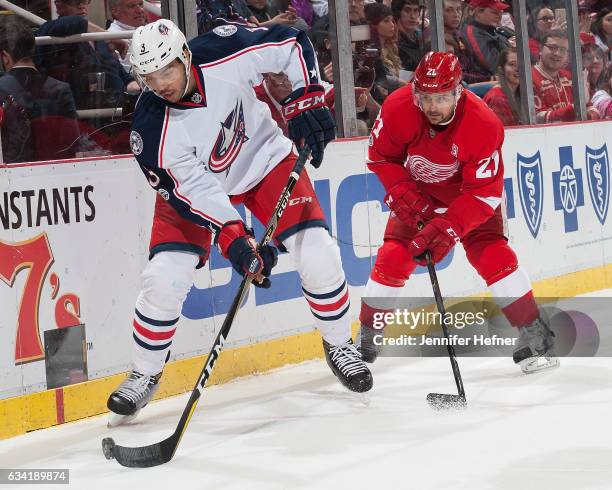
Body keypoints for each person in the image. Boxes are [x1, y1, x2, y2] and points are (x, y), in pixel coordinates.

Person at [106, 19, 373, 424]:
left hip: (266, 161)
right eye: (150, 77)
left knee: (317, 251)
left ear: (184, 57)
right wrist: (236, 238)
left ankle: (340, 345)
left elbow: (291, 41)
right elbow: (195, 191)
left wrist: (306, 100)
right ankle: (144, 372)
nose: (161, 83)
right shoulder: (150, 130)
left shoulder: (222, 52)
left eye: (167, 70)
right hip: (198, 190)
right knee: (164, 276)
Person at [357, 51, 558, 375]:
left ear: (459, 91)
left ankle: (535, 332)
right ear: (414, 92)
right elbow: (381, 159)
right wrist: (410, 201)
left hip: (470, 195)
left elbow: (484, 192)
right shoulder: (398, 108)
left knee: (490, 253)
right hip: (420, 191)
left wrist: (447, 228)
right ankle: (368, 335)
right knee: (394, 256)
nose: (432, 107)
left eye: (441, 98)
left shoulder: (483, 124)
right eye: (425, 97)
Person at [0, 19, 81, 162]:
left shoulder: (2, 88)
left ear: (5, 57)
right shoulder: (61, 89)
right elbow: (72, 142)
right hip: (55, 173)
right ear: (33, 50)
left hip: (11, 173)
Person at [36, 0, 139, 109]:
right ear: (59, 6)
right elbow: (73, 23)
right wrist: (108, 35)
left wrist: (139, 87)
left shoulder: (99, 39)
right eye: (76, 2)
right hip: (86, 111)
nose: (82, 6)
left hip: (119, 106)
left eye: (85, 1)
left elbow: (124, 78)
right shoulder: (51, 30)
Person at [532, 29, 599, 123]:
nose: (557, 53)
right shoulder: (529, 78)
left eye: (563, 50)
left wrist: (591, 114)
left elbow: (590, 106)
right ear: (540, 49)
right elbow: (538, 118)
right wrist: (577, 107)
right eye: (552, 47)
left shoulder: (570, 77)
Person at [461, 0, 512, 83]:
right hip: (489, 85)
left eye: (501, 12)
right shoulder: (472, 32)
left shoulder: (492, 30)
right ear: (478, 12)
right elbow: (493, 66)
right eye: (495, 12)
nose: (500, 16)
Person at [107, 0, 148, 73]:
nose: (140, 10)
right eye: (131, 6)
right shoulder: (114, 37)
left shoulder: (150, 29)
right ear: (115, 11)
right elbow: (131, 75)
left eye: (140, 4)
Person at [483, 47, 522, 126]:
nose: (518, 69)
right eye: (512, 64)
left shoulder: (519, 94)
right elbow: (507, 134)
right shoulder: (497, 99)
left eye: (521, 64)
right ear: (501, 69)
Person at [391, 0, 426, 71]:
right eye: (407, 10)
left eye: (416, 11)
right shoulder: (392, 41)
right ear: (397, 13)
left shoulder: (422, 37)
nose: (412, 16)